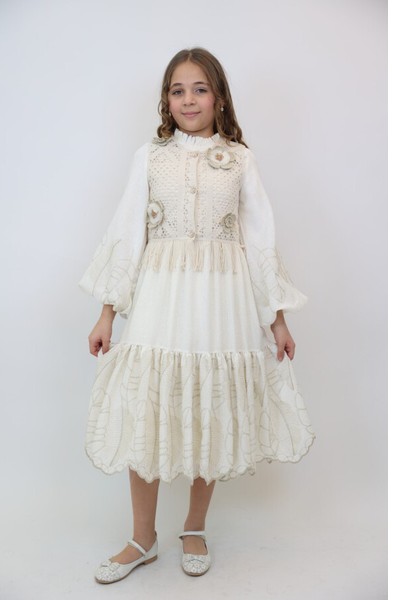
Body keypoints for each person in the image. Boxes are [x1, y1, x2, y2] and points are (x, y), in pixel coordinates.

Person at [78, 47, 316, 582]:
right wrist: (107, 312)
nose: (189, 100)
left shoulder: (240, 160)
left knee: (210, 406)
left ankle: (194, 527)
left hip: (221, 300)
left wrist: (277, 320)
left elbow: (260, 242)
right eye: (178, 90)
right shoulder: (150, 157)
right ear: (166, 100)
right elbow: (126, 233)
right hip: (161, 296)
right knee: (148, 405)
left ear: (220, 98)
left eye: (200, 89)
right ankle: (142, 538)